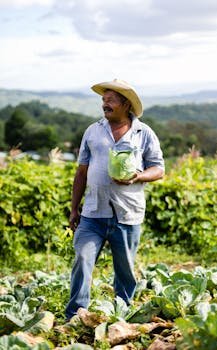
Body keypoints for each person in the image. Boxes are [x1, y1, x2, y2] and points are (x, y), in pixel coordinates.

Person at [65, 79, 164, 320]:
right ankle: (75, 314)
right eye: (103, 100)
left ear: (125, 104)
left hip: (127, 213)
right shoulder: (92, 131)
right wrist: (74, 208)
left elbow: (158, 169)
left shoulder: (144, 133)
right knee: (83, 257)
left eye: (110, 100)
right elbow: (81, 172)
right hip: (93, 212)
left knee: (125, 270)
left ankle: (122, 312)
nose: (104, 105)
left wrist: (138, 176)